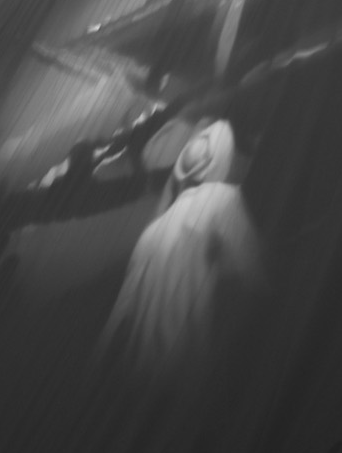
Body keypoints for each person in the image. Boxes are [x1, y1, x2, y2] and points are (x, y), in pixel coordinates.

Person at [100, 119, 257, 375]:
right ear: (225, 162)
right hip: (184, 373)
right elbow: (253, 279)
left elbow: (119, 320)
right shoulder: (223, 199)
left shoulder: (151, 232)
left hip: (140, 376)